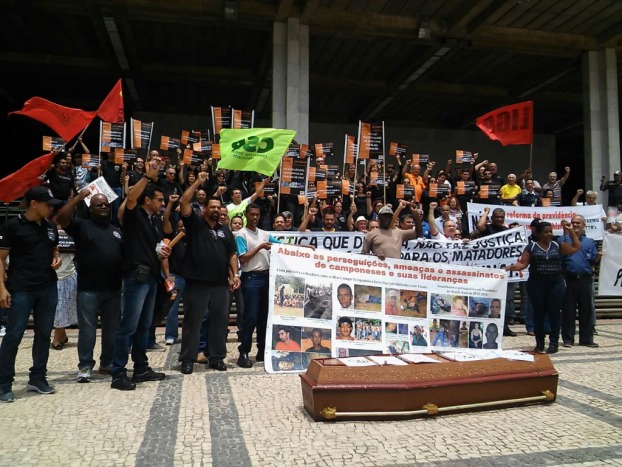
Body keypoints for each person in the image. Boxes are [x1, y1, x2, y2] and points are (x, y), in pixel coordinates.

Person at [109, 160, 170, 391]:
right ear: (147, 200)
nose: (162, 204)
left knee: (144, 326)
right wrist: (147, 177)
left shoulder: (153, 222)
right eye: (159, 200)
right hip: (136, 277)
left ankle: (141, 368)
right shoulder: (134, 215)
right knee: (128, 326)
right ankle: (118, 372)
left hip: (151, 277)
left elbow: (151, 249)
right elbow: (131, 198)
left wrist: (161, 252)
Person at [0, 186, 63, 402]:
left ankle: (38, 377)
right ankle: (4, 383)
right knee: (13, 335)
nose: (51, 209)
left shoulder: (50, 226)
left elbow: (54, 249)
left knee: (44, 334)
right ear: (34, 204)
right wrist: (2, 288)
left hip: (48, 286)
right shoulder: (12, 226)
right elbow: (0, 258)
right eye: (48, 205)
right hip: (21, 289)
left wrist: (56, 257)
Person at [56, 190, 123, 383]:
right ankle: (85, 366)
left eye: (106, 204)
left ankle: (107, 363)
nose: (103, 207)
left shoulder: (116, 230)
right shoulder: (81, 226)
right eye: (98, 204)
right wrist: (77, 198)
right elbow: (61, 218)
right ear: (90, 208)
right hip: (89, 289)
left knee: (112, 329)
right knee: (87, 330)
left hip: (113, 288)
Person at [177, 173, 240, 375]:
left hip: (220, 284)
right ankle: (188, 359)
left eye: (218, 208)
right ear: (204, 209)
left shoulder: (225, 231)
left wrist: (235, 274)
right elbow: (183, 201)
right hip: (197, 283)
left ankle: (216, 357)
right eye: (211, 207)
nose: (215, 210)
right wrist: (197, 182)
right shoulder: (195, 224)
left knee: (219, 323)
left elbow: (232, 254)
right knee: (193, 323)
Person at [506, 220, 580, 354]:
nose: (549, 234)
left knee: (554, 314)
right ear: (539, 233)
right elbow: (523, 264)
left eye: (550, 231)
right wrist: (511, 267)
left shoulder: (557, 245)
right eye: (546, 232)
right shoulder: (531, 247)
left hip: (555, 284)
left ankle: (553, 343)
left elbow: (575, 247)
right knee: (538, 314)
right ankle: (539, 342)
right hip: (537, 285)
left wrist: (571, 231)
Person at [236, 203, 282, 369]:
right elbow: (242, 258)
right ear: (246, 215)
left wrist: (304, 248)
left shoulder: (265, 233)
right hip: (251, 278)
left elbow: (282, 246)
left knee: (264, 317)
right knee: (251, 316)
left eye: (257, 214)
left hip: (266, 277)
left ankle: (262, 350)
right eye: (252, 214)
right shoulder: (241, 234)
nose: (255, 217)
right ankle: (244, 351)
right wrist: (261, 246)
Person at [560, 215, 600, 348]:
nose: (575, 225)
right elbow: (559, 260)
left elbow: (593, 261)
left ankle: (586, 339)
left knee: (586, 310)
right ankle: (568, 339)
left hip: (585, 279)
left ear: (584, 225)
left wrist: (598, 258)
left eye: (578, 222)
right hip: (569, 280)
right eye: (573, 222)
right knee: (568, 311)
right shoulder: (563, 240)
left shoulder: (590, 242)